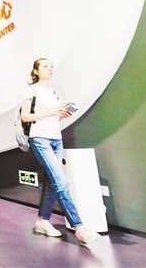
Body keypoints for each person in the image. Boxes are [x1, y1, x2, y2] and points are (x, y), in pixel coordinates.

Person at [20, 58, 100, 245]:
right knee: (61, 181)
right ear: (36, 71)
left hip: (56, 139)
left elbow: (55, 118)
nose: (50, 69)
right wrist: (52, 113)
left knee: (52, 182)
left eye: (51, 66)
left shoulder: (54, 92)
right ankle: (79, 227)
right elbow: (25, 117)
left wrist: (61, 115)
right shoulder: (30, 90)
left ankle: (42, 221)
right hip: (39, 138)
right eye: (45, 66)